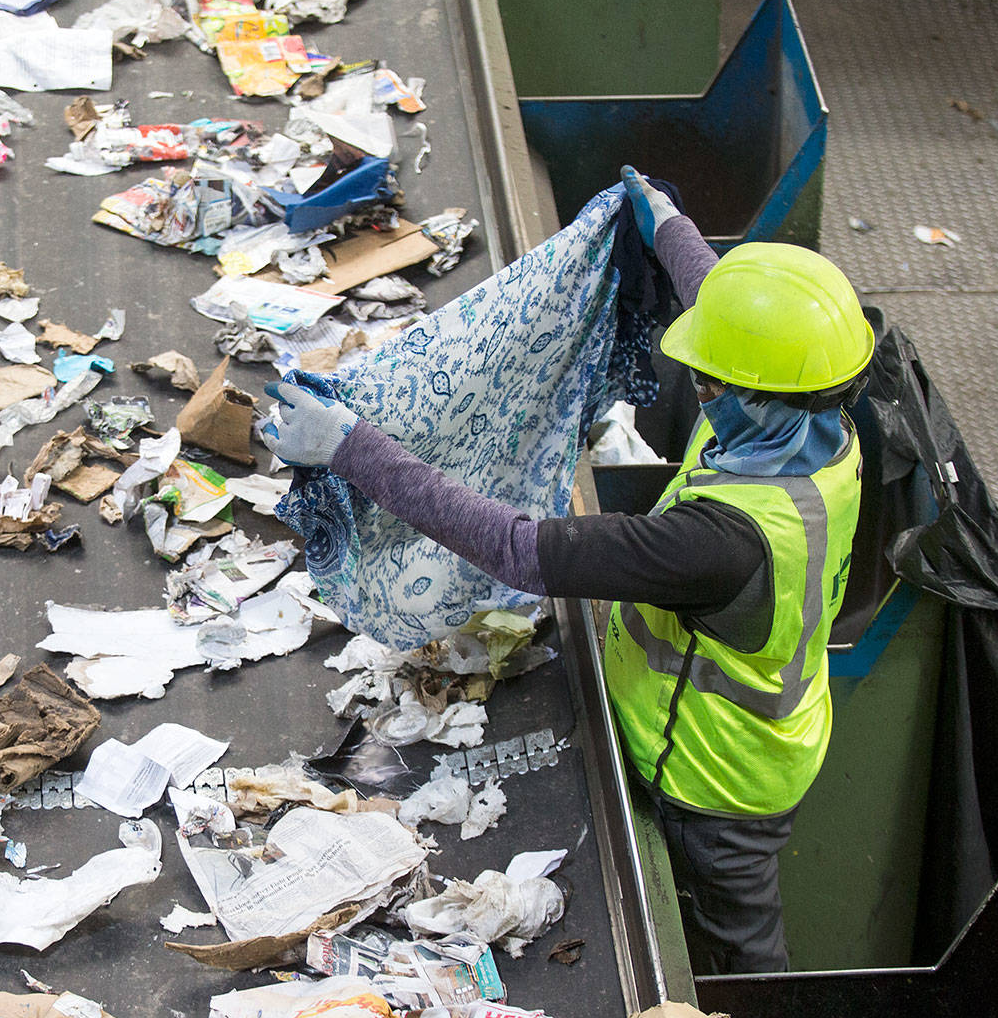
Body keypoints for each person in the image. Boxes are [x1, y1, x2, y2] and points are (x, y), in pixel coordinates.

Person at [265, 168, 872, 973]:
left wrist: (351, 446)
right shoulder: (814, 426)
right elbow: (729, 317)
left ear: (757, 390)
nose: (703, 382)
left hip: (716, 779)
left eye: (713, 378)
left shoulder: (720, 541)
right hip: (745, 731)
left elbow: (519, 548)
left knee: (737, 953)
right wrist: (663, 227)